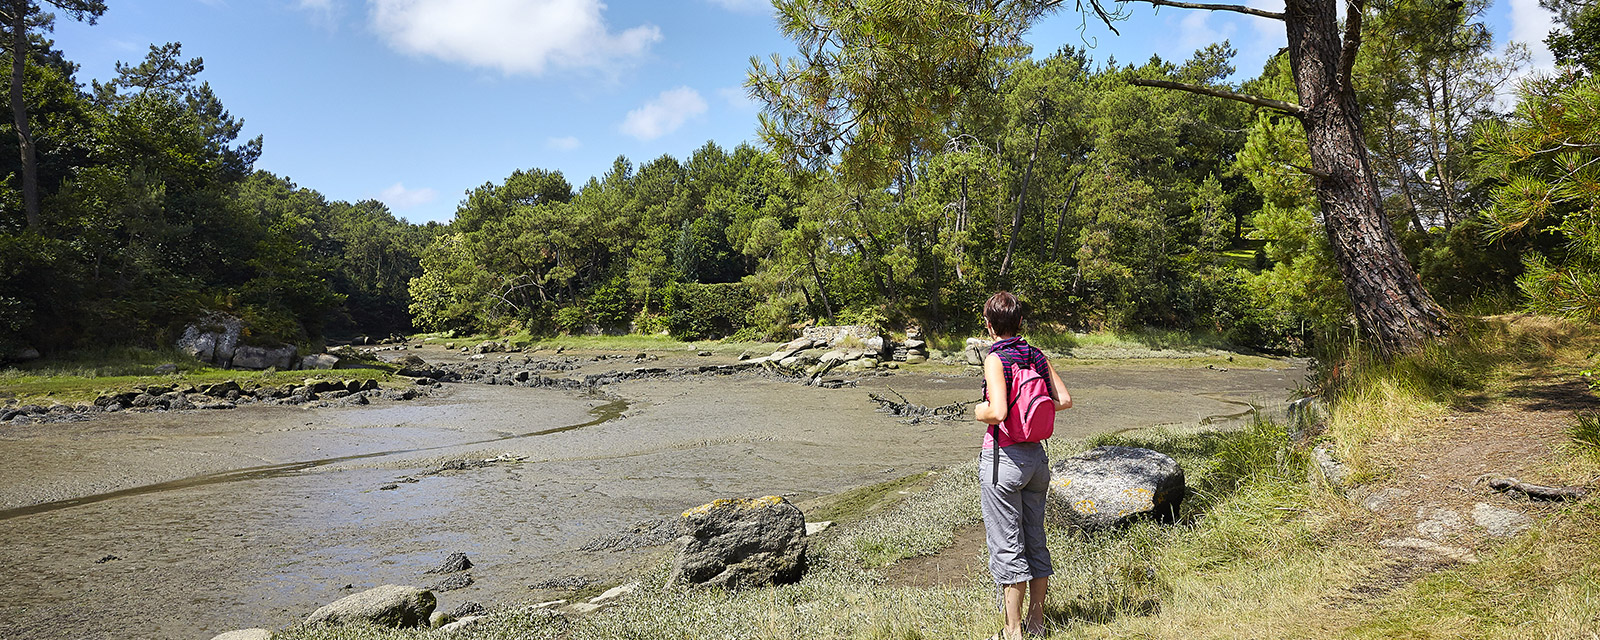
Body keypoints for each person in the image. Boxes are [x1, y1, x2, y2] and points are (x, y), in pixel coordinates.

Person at [972, 291, 1071, 640]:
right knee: (1035, 540)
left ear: (988, 326)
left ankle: (1012, 631)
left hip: (1004, 460)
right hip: (1036, 460)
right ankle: (1037, 624)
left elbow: (997, 411)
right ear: (1020, 323)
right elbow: (1064, 400)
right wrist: (1029, 413)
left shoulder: (996, 358)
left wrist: (977, 410)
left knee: (1007, 546)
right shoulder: (1035, 355)